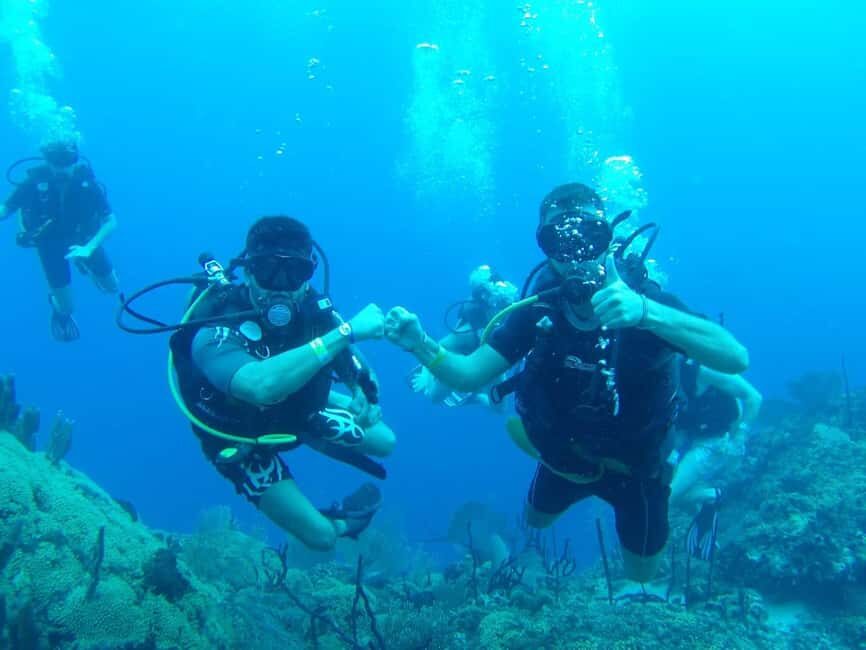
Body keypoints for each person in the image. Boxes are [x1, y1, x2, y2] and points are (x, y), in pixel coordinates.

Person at [384, 182, 749, 582]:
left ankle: (696, 497)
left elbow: (735, 357)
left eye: (589, 234)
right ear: (545, 248)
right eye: (557, 239)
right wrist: (419, 344)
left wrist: (646, 312)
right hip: (564, 460)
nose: (575, 253)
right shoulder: (539, 309)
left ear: (607, 238)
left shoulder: (646, 301)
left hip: (637, 470)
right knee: (535, 521)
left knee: (642, 575)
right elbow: (469, 374)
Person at [171, 216, 395, 550]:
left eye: (295, 272)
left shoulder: (316, 310)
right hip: (239, 435)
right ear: (248, 272)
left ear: (308, 277)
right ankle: (342, 520)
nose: (280, 285)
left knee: (385, 441)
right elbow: (259, 386)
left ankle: (314, 418)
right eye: (267, 270)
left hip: (293, 409)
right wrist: (345, 332)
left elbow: (358, 366)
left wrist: (363, 390)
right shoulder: (216, 321)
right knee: (321, 537)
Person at [1, 141, 119, 341]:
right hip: (49, 245)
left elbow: (111, 221)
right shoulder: (33, 183)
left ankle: (83, 262)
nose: (63, 168)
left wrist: (89, 248)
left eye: (69, 161)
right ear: (47, 161)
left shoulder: (87, 184)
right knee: (67, 307)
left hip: (84, 241)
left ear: (76, 160)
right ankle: (56, 307)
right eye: (57, 162)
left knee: (112, 287)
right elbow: (6, 208)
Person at [671, 358, 763, 559]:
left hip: (718, 443)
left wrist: (739, 439)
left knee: (664, 497)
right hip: (693, 440)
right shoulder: (661, 374)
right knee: (657, 489)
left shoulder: (702, 369)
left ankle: (709, 495)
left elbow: (754, 397)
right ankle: (704, 498)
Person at [409, 265, 518, 408]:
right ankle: (447, 378)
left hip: (491, 356)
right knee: (434, 396)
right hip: (461, 357)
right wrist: (425, 375)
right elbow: (436, 346)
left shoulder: (508, 322)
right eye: (497, 306)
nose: (500, 312)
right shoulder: (469, 333)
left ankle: (476, 397)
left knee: (499, 408)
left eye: (503, 306)